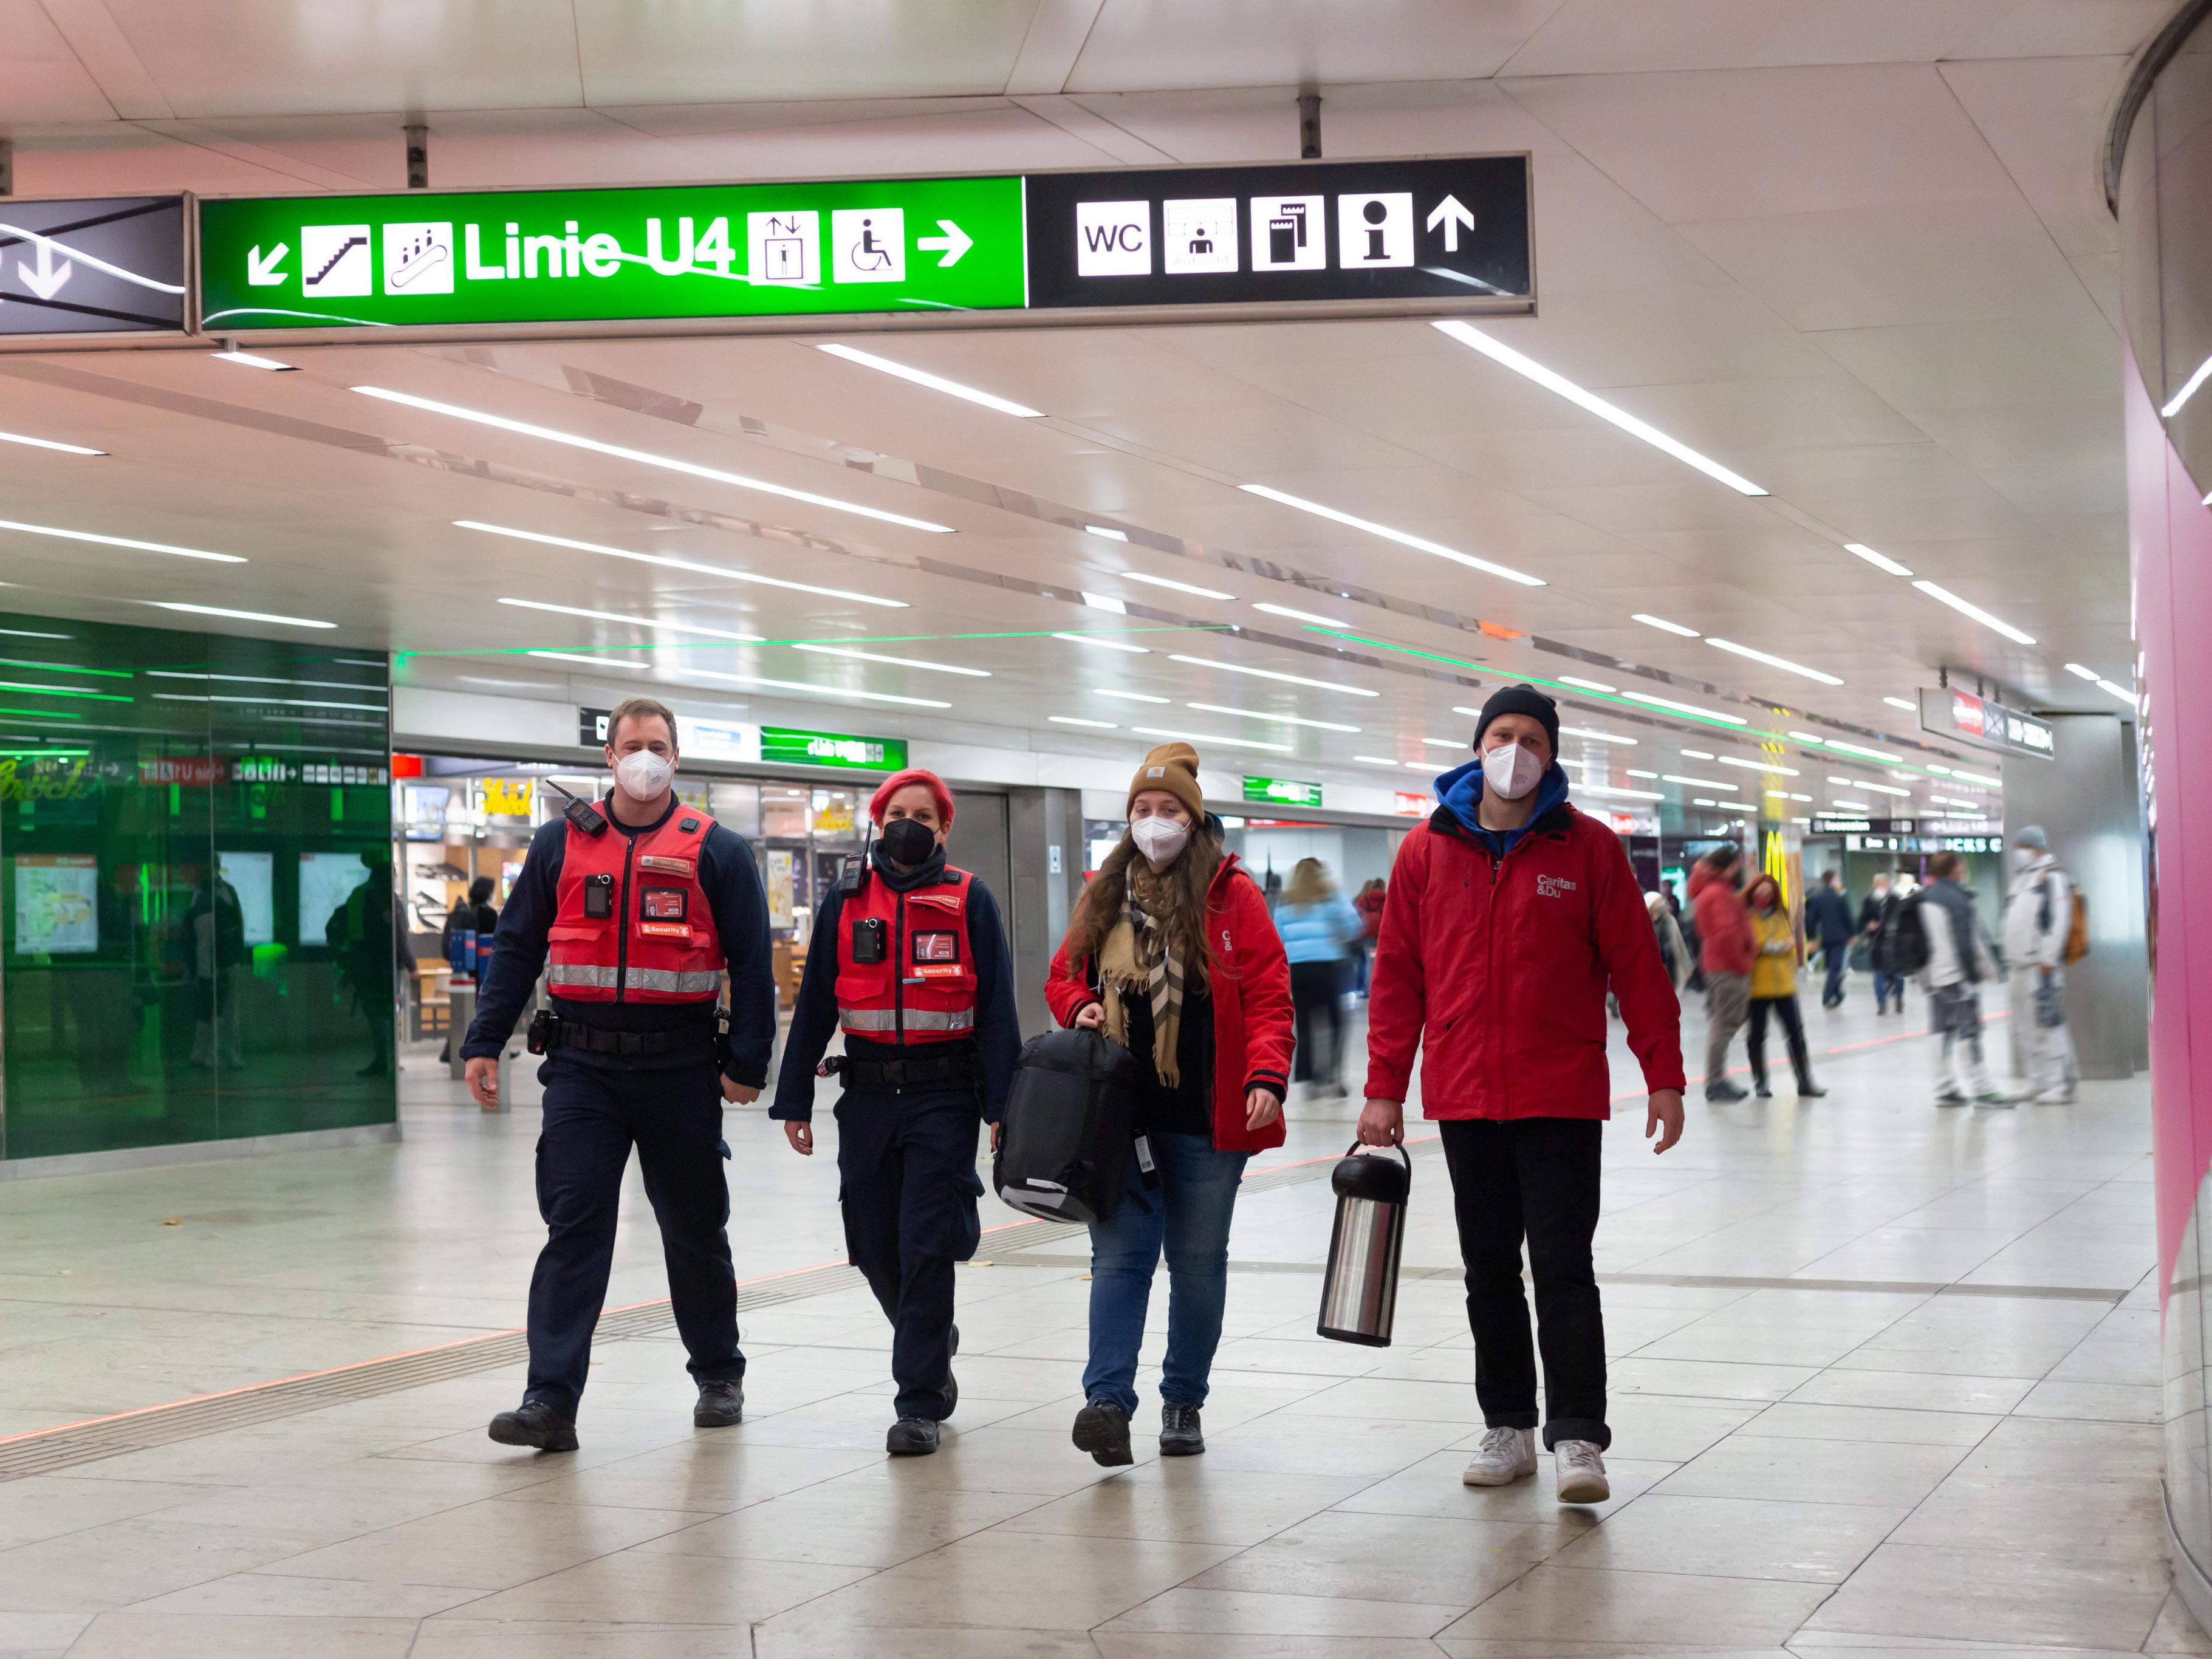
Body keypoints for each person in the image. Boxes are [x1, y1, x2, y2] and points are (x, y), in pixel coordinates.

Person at [1360, 685, 1685, 1507]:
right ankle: (1506, 1422)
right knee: (1487, 1269)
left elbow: (1638, 974)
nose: (1513, 749)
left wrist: (1665, 1075)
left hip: (1561, 1094)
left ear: (1550, 753)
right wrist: (1383, 1088)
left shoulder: (1589, 849)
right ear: (1478, 745)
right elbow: (1397, 977)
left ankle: (1579, 1434)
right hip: (1466, 1095)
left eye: (1529, 738)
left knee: (1563, 1265)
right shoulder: (1425, 854)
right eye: (1500, 734)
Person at [459, 697, 775, 1453]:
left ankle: (718, 1372)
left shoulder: (715, 850)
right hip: (581, 1067)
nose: (644, 756)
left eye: (657, 745)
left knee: (695, 1229)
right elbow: (514, 949)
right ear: (608, 757)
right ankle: (550, 1399)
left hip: (679, 1066)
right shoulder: (557, 845)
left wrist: (748, 1064)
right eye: (630, 744)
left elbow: (753, 963)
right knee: (574, 1228)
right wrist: (484, 1039)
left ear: (677, 758)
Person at [1045, 742, 1292, 1466]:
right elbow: (1061, 975)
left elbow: (1273, 995)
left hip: (1206, 1122)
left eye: (1168, 810)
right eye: (1142, 810)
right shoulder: (1103, 892)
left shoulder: (1229, 893)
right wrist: (1080, 1004)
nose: (1153, 822)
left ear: (1194, 817)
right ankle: (1107, 1404)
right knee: (1119, 1260)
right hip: (1121, 1120)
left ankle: (1182, 1400)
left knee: (1196, 1262)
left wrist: (1266, 1075)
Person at [770, 768, 1021, 1457]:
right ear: (878, 824)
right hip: (869, 1096)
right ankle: (932, 1338)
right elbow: (815, 1001)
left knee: (924, 1242)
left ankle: (917, 1401)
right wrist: (793, 1097)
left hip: (944, 1098)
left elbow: (997, 1010)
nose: (909, 824)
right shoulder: (847, 898)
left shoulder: (969, 898)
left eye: (923, 815)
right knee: (873, 1242)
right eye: (896, 814)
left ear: (943, 828)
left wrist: (1002, 1106)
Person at [1917, 850, 2012, 1107]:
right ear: (1956, 869)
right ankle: (1982, 1089)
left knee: (1940, 1032)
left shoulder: (1924, 897)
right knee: (1969, 1032)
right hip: (1957, 977)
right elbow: (1968, 944)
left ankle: (1944, 1088)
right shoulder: (1957, 899)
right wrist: (1980, 974)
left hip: (1933, 978)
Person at [2001, 825, 2080, 1104]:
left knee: (2049, 1024)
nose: (2019, 854)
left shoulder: (2053, 876)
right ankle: (2039, 1081)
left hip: (2040, 967)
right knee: (2025, 1027)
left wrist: (2048, 956)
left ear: (2035, 847)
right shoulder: (2022, 879)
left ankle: (2062, 1083)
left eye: (2023, 847)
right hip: (2018, 966)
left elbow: (2060, 919)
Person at [1275, 857, 1361, 1099]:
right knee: (1335, 1023)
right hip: (1328, 969)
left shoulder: (1286, 902)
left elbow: (1277, 937)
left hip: (1299, 972)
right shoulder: (1331, 898)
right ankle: (1332, 1074)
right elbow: (1354, 926)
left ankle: (1309, 1077)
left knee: (1304, 1025)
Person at [1745, 874, 1826, 1100]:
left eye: (1769, 894)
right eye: (1761, 893)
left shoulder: (1781, 915)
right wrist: (1768, 947)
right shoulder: (1747, 917)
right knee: (1757, 1036)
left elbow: (1790, 945)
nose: (1765, 897)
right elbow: (1748, 945)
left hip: (1784, 986)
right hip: (1757, 987)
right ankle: (1761, 1083)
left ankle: (1805, 1082)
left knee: (1796, 1033)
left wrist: (1780, 948)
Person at [1689, 845, 1754, 1103]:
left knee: (1725, 1022)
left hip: (1719, 965)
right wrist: (1743, 962)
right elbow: (1726, 934)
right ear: (1727, 867)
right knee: (1724, 1023)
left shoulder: (1711, 891)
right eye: (1737, 864)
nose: (1739, 869)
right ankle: (1715, 1081)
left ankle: (1717, 1079)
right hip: (1727, 966)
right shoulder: (1719, 894)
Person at [439, 875, 500, 1064]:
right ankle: (491, 1047)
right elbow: (496, 944)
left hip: (464, 970)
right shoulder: (489, 914)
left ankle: (453, 1048)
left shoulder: (460, 911)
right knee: (485, 1011)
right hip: (484, 970)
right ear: (489, 892)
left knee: (463, 1010)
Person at [1804, 871, 1855, 1010]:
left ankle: (1838, 995)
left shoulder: (1818, 899)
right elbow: (1848, 918)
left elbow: (1810, 921)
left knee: (1833, 968)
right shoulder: (1840, 899)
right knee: (1835, 968)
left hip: (1826, 939)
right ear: (1833, 880)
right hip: (1839, 938)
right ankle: (1827, 997)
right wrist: (1852, 935)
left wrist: (1812, 939)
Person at [1354, 877, 1387, 994]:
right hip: (1379, 935)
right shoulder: (1386, 899)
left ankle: (1365, 989)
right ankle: (1374, 990)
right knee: (1377, 963)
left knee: (1367, 962)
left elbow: (1356, 916)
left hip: (1365, 935)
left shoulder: (1363, 899)